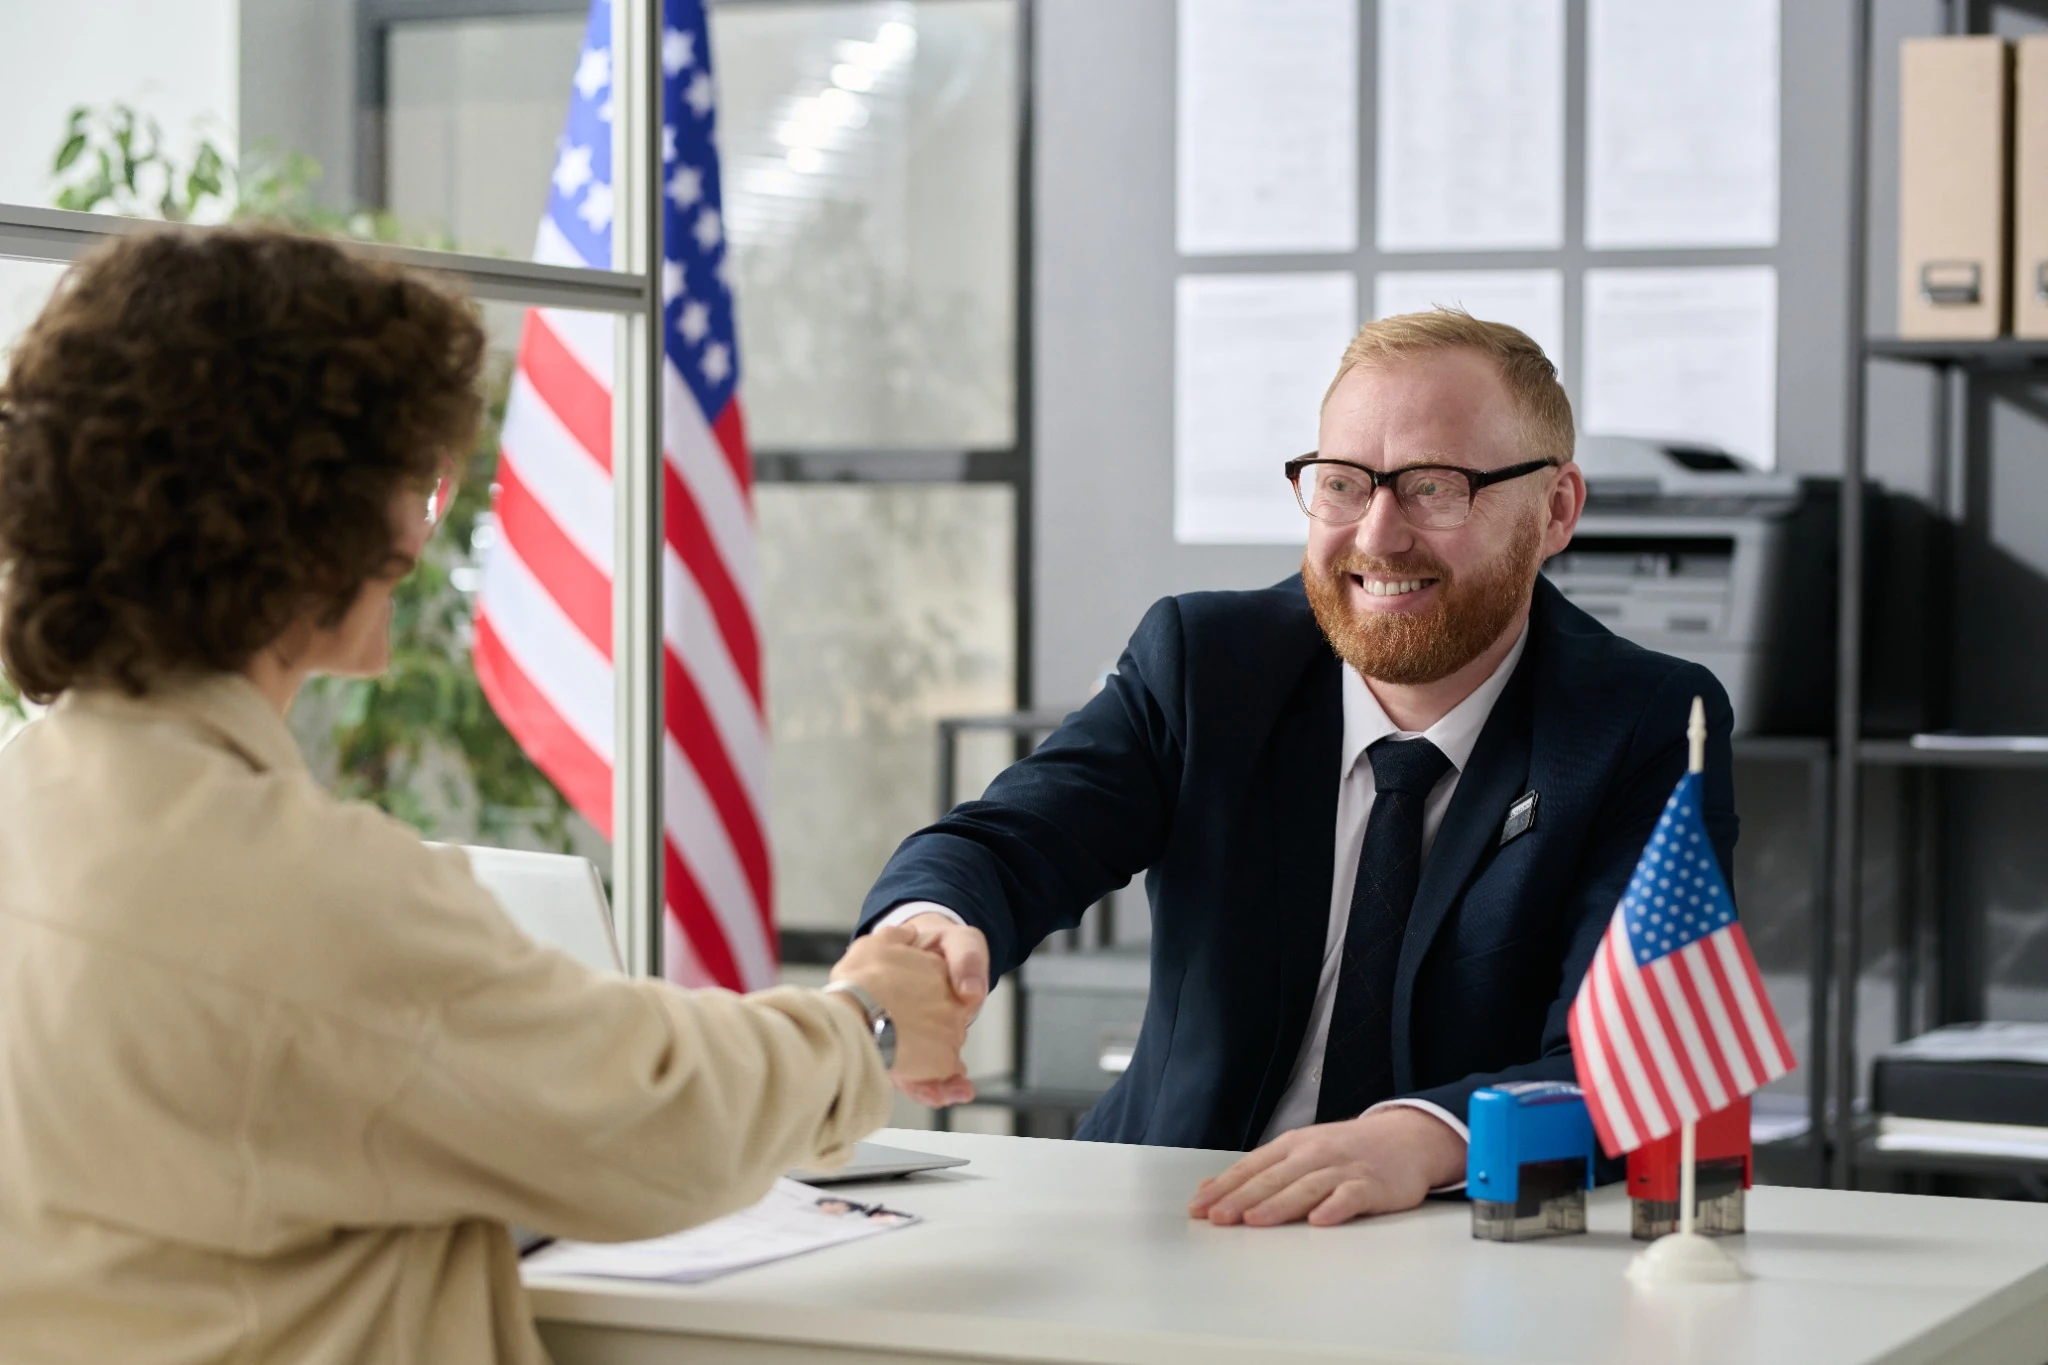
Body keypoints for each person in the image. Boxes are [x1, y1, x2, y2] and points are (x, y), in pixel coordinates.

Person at [0, 227, 973, 1365]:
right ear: (306, 519)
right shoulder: (293, 888)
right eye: (406, 479)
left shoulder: (37, 798)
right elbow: (656, 1126)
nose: (420, 528)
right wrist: (859, 1013)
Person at [858, 310, 1737, 1228]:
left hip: (1450, 1243)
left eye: (1435, 487)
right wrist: (933, 927)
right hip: (1168, 1219)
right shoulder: (1207, 662)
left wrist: (1427, 1135)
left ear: (1556, 509)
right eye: (1344, 484)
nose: (1379, 535)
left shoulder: (1642, 725)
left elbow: (1635, 1053)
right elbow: (1012, 842)